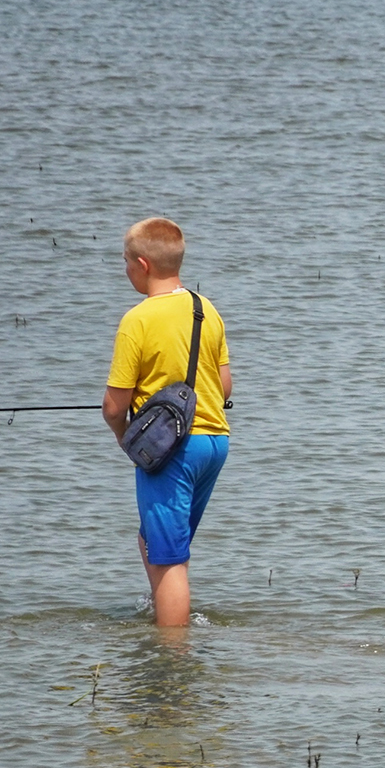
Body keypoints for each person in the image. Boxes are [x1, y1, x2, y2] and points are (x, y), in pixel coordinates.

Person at [102, 217, 233, 627]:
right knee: (154, 542)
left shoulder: (137, 320)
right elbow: (225, 387)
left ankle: (172, 660)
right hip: (213, 444)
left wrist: (133, 445)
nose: (124, 269)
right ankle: (165, 616)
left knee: (168, 558)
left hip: (171, 451)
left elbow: (112, 407)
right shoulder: (204, 308)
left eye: (124, 261)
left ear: (142, 264)